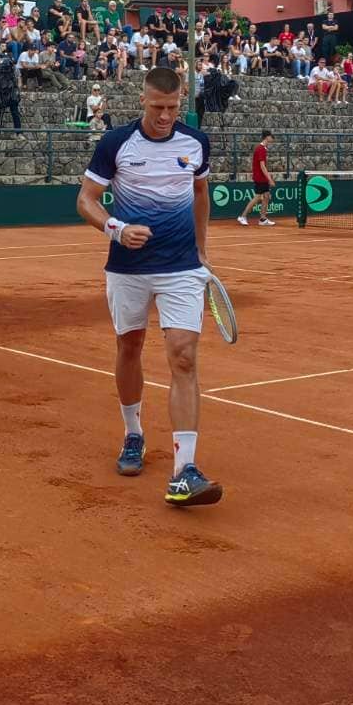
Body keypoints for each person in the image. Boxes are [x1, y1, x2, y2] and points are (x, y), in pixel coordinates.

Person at [76, 66, 219, 506]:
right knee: (130, 348)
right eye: (158, 107)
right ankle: (133, 433)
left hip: (180, 268)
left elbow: (199, 194)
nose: (165, 116)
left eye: (173, 108)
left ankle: (185, 470)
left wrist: (202, 251)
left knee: (183, 356)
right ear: (143, 100)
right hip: (127, 268)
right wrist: (116, 229)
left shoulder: (195, 142)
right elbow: (86, 200)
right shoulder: (115, 143)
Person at [239, 131, 276, 226]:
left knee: (266, 196)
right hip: (260, 178)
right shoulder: (261, 149)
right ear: (267, 137)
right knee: (257, 197)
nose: (272, 139)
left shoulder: (263, 148)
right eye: (271, 137)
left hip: (262, 178)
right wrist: (270, 179)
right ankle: (242, 216)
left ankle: (262, 219)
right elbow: (262, 166)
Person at [0, 51, 21, 129]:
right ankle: (18, 134)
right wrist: (17, 90)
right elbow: (19, 80)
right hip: (9, 93)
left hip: (4, 93)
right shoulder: (13, 67)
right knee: (14, 113)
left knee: (1, 113)